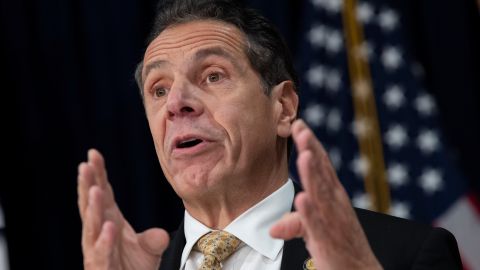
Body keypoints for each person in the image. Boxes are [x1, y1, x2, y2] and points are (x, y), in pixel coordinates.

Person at [76, 0, 463, 269]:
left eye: (212, 76)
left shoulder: (399, 255)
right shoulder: (135, 267)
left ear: (284, 107)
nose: (177, 103)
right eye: (158, 89)